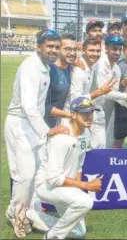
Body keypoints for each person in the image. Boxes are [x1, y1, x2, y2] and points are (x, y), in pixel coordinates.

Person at [4, 29, 69, 238]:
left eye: (56, 47)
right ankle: (18, 215)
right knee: (24, 176)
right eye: (49, 46)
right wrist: (47, 131)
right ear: (38, 46)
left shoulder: (45, 66)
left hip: (33, 126)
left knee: (36, 175)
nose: (53, 50)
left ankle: (23, 212)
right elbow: (28, 106)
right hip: (21, 125)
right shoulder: (31, 67)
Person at [24, 97, 104, 239]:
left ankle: (31, 215)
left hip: (64, 186)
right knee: (86, 201)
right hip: (47, 186)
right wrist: (86, 185)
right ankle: (52, 236)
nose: (89, 116)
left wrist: (77, 191)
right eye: (85, 113)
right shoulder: (61, 139)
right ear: (73, 114)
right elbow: (53, 178)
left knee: (79, 232)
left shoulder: (85, 136)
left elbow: (79, 165)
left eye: (91, 112)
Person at [91, 35, 127, 148]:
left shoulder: (116, 68)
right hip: (93, 110)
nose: (116, 52)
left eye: (119, 49)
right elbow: (106, 93)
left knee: (101, 144)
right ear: (106, 48)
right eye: (114, 49)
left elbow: (115, 93)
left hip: (106, 110)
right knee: (95, 145)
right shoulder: (101, 65)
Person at [44, 34, 77, 128]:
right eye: (67, 49)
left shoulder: (71, 69)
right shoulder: (48, 70)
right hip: (42, 125)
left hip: (58, 124)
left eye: (74, 49)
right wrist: (70, 115)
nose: (72, 53)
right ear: (58, 49)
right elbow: (43, 106)